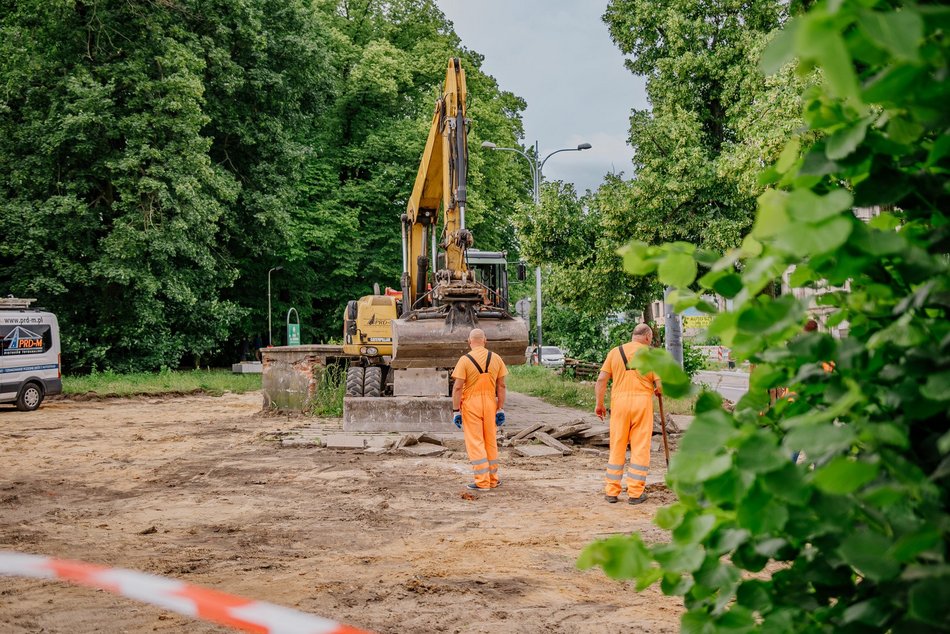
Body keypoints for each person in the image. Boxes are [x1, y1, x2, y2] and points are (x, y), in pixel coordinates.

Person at [594, 324, 662, 505]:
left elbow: (601, 379)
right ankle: (635, 493)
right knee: (640, 447)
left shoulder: (615, 352)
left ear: (633, 336)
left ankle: (611, 491)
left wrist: (599, 404)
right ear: (647, 337)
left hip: (619, 404)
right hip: (642, 404)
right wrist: (658, 391)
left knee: (617, 445)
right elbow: (660, 386)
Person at [451, 328, 508, 491]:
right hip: (490, 403)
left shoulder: (465, 360)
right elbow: (502, 386)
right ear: (485, 340)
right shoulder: (496, 358)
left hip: (471, 405)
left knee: (476, 442)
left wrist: (456, 411)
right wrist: (500, 409)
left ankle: (482, 482)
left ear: (469, 342)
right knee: (490, 441)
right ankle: (492, 479)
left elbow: (458, 388)